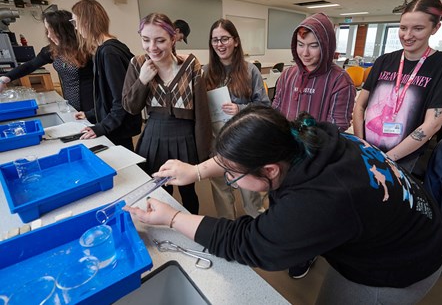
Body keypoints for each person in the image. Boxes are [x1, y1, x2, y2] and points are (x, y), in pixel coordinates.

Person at [126, 106, 442, 304]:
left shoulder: (320, 200)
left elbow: (249, 243)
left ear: (270, 171)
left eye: (232, 176)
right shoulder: (305, 135)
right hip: (415, 219)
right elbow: (243, 157)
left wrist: (173, 219)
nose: (228, 178)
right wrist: (196, 170)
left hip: (404, 260)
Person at [353, 0, 442, 172]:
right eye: (403, 28)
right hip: (367, 151)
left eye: (418, 29)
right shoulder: (384, 61)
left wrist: (387, 159)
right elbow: (360, 105)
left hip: (403, 159)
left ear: (435, 28)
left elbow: (433, 123)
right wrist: (361, 146)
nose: (407, 35)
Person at [122, 13, 211, 215]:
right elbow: (130, 107)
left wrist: (204, 154)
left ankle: (190, 230)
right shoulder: (137, 64)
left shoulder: (190, 65)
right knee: (161, 192)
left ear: (173, 38)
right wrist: (142, 81)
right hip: (155, 136)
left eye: (160, 40)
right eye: (146, 40)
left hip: (185, 136)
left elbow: (202, 113)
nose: (152, 47)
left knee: (189, 192)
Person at [204, 18, 270, 219]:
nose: (220, 44)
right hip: (217, 143)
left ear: (236, 41)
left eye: (224, 39)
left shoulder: (250, 70)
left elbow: (265, 107)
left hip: (244, 144)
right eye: (215, 40)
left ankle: (257, 234)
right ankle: (229, 234)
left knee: (251, 196)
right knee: (222, 193)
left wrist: (240, 109)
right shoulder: (206, 72)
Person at [71, 0, 142, 150]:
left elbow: (121, 100)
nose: (76, 28)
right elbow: (107, 98)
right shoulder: (109, 48)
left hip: (117, 129)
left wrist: (102, 127)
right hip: (116, 125)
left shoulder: (109, 53)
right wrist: (90, 114)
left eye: (76, 22)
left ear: (86, 22)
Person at [272, 13, 356, 132]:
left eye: (313, 46)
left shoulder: (340, 81)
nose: (305, 53)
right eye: (300, 45)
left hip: (319, 147)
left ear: (326, 46)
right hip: (287, 144)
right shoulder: (288, 74)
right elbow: (276, 109)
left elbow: (337, 127)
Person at [0, 10, 93, 111]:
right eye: (47, 31)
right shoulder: (53, 50)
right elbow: (30, 65)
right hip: (71, 102)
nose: (49, 35)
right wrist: (5, 78)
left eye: (52, 30)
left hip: (92, 103)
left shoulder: (86, 49)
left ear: (64, 31)